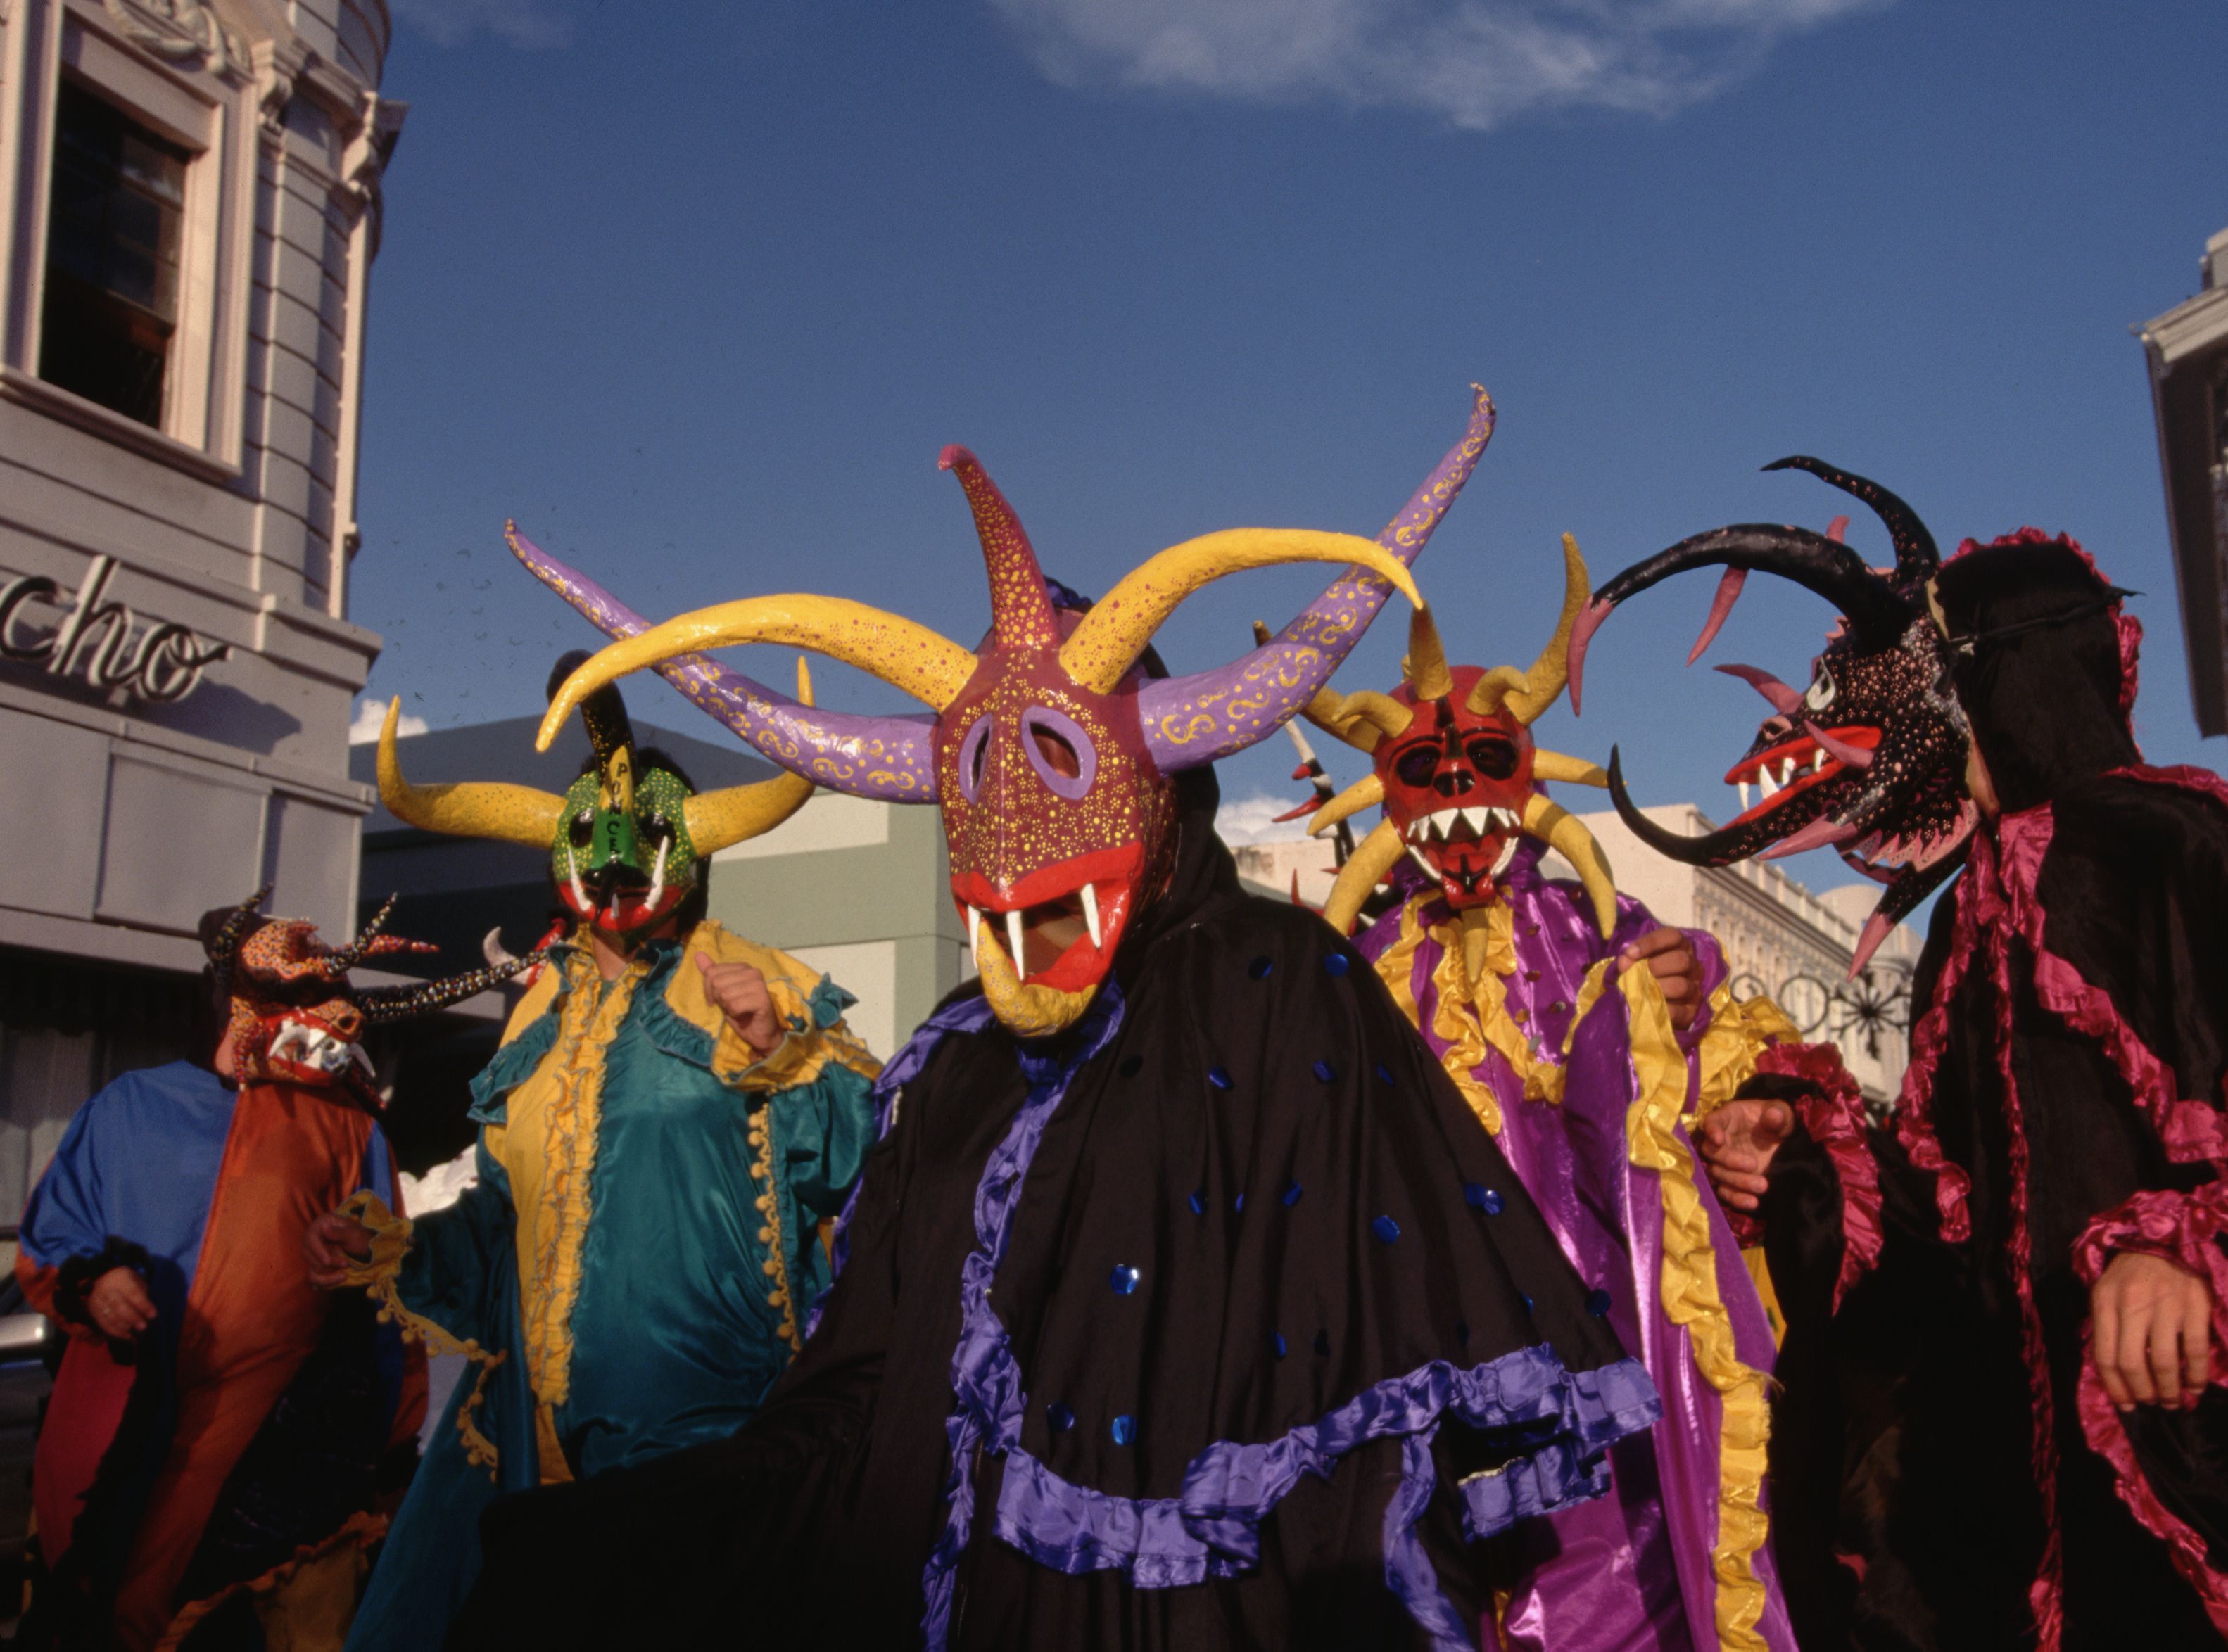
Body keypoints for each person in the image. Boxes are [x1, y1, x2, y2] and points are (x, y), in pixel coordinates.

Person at [441, 390, 1678, 1650]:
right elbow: (869, 1382)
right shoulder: (960, 1053)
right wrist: (671, 1526)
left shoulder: (1277, 989)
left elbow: (1359, 1388)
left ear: (1162, 785)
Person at [1572, 460, 2228, 1650]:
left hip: (2219, 1480)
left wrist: (2189, 1250)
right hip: (2038, 1525)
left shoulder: (2169, 836)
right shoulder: (1967, 915)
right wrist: (1807, 1161)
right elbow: (1952, 1226)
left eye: (1932, 678)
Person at [1294, 543, 1817, 1651]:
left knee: (1628, 1596)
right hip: (1423, 1370)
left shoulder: (1602, 931)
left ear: (1530, 770)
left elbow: (1721, 1078)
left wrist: (1703, 1057)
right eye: (1421, 773)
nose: (1453, 795)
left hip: (1607, 1363)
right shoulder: (1360, 968)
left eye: (1484, 760)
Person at [309, 659, 879, 1652]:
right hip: (538, 1438)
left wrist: (780, 1052)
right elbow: (505, 1220)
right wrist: (396, 1251)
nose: (615, 871)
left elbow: (863, 1165)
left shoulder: (753, 981)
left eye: (647, 844)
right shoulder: (540, 1009)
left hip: (707, 1434)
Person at [18, 893, 525, 1651]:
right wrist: (92, 1284)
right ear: (228, 1001)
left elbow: (383, 1286)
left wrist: (389, 1438)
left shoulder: (346, 1126)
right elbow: (49, 1239)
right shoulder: (130, 1107)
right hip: (119, 1443)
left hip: (281, 1468)